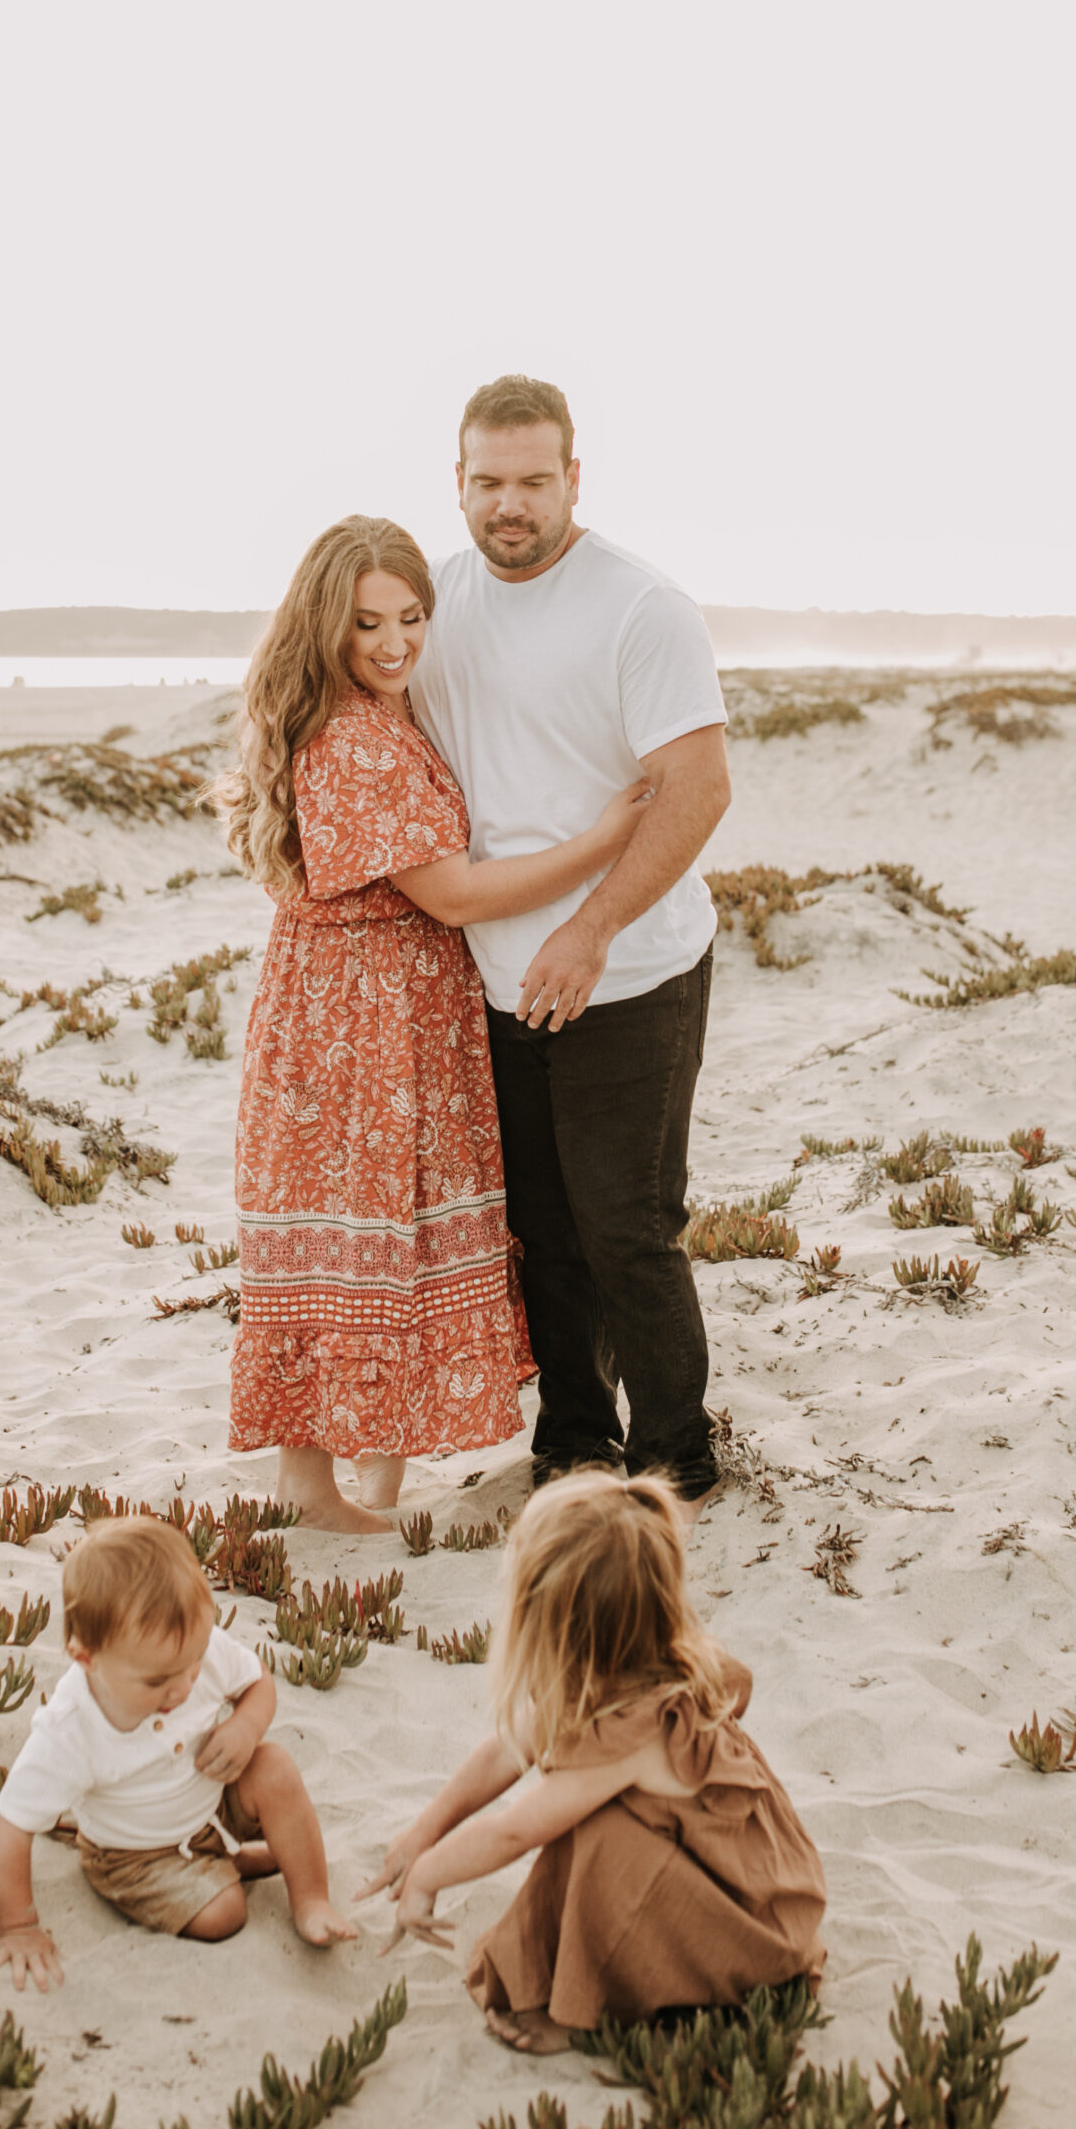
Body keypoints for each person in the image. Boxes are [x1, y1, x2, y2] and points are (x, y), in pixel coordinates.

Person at [216, 516, 650, 1536]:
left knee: (386, 1228)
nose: (394, 640)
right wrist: (603, 839)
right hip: (354, 1017)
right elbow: (452, 895)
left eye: (412, 616)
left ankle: (373, 1474)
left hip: (386, 1006)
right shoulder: (352, 737)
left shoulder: (381, 712)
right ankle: (308, 1485)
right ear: (327, 625)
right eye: (367, 622)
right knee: (351, 1233)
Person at [409, 375, 732, 1506]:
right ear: (456, 482)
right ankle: (575, 1437)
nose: (510, 504)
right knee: (540, 1227)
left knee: (626, 1223)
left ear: (572, 479)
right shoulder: (434, 602)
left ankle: (676, 1449)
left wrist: (591, 930)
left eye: (532, 481)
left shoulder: (640, 608)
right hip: (495, 979)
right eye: (487, 481)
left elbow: (697, 788)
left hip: (630, 971)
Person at [361, 1472, 826, 2051]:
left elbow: (514, 1832)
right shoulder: (625, 1665)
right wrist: (422, 1834)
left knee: (598, 1836)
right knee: (601, 1831)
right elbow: (507, 1751)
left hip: (749, 1931)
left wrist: (430, 1874)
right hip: (739, 1885)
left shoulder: (638, 1723)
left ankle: (584, 2013)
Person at [0, 1515, 354, 1983]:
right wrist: (17, 1927)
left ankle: (310, 1899)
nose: (184, 1688)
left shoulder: (189, 1649)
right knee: (225, 1915)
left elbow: (257, 1684)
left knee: (274, 1765)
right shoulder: (71, 1728)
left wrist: (245, 1726)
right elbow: (12, 1826)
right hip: (135, 1855)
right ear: (87, 1658)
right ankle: (228, 1864)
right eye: (157, 1681)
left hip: (209, 1804)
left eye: (194, 1665)